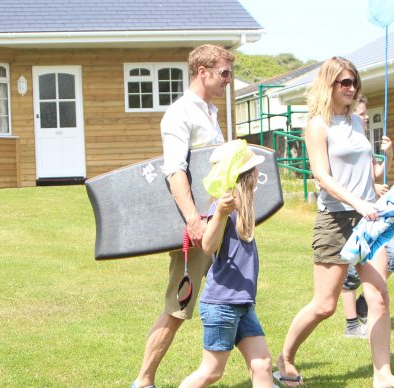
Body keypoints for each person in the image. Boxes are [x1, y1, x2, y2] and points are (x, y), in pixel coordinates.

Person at [274, 57, 394, 388]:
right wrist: (357, 202)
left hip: (369, 220)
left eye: (354, 82)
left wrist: (384, 189)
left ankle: (383, 376)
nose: (352, 88)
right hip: (335, 221)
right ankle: (286, 357)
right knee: (325, 306)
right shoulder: (317, 125)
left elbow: (367, 171)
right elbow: (322, 176)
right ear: (329, 85)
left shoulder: (357, 122)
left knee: (379, 295)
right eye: (345, 82)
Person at [131, 44, 235, 388]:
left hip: (218, 220)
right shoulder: (179, 114)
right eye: (224, 73)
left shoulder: (210, 111)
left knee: (239, 293)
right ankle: (143, 380)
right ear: (202, 72)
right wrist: (193, 219)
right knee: (179, 304)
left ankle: (263, 369)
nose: (229, 80)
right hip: (199, 225)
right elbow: (175, 171)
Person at [180, 141, 273, 387]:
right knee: (211, 371)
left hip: (241, 304)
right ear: (243, 175)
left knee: (262, 364)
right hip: (222, 304)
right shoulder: (222, 207)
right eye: (254, 168)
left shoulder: (243, 207)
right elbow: (209, 246)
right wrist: (220, 213)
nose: (258, 173)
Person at [341, 97, 394, 339]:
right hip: (352, 213)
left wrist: (389, 155)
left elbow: (375, 174)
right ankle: (352, 322)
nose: (366, 117)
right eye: (363, 114)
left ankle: (364, 305)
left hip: (370, 213)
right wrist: (371, 190)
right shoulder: (346, 143)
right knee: (349, 272)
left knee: (393, 259)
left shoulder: (363, 142)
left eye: (366, 114)